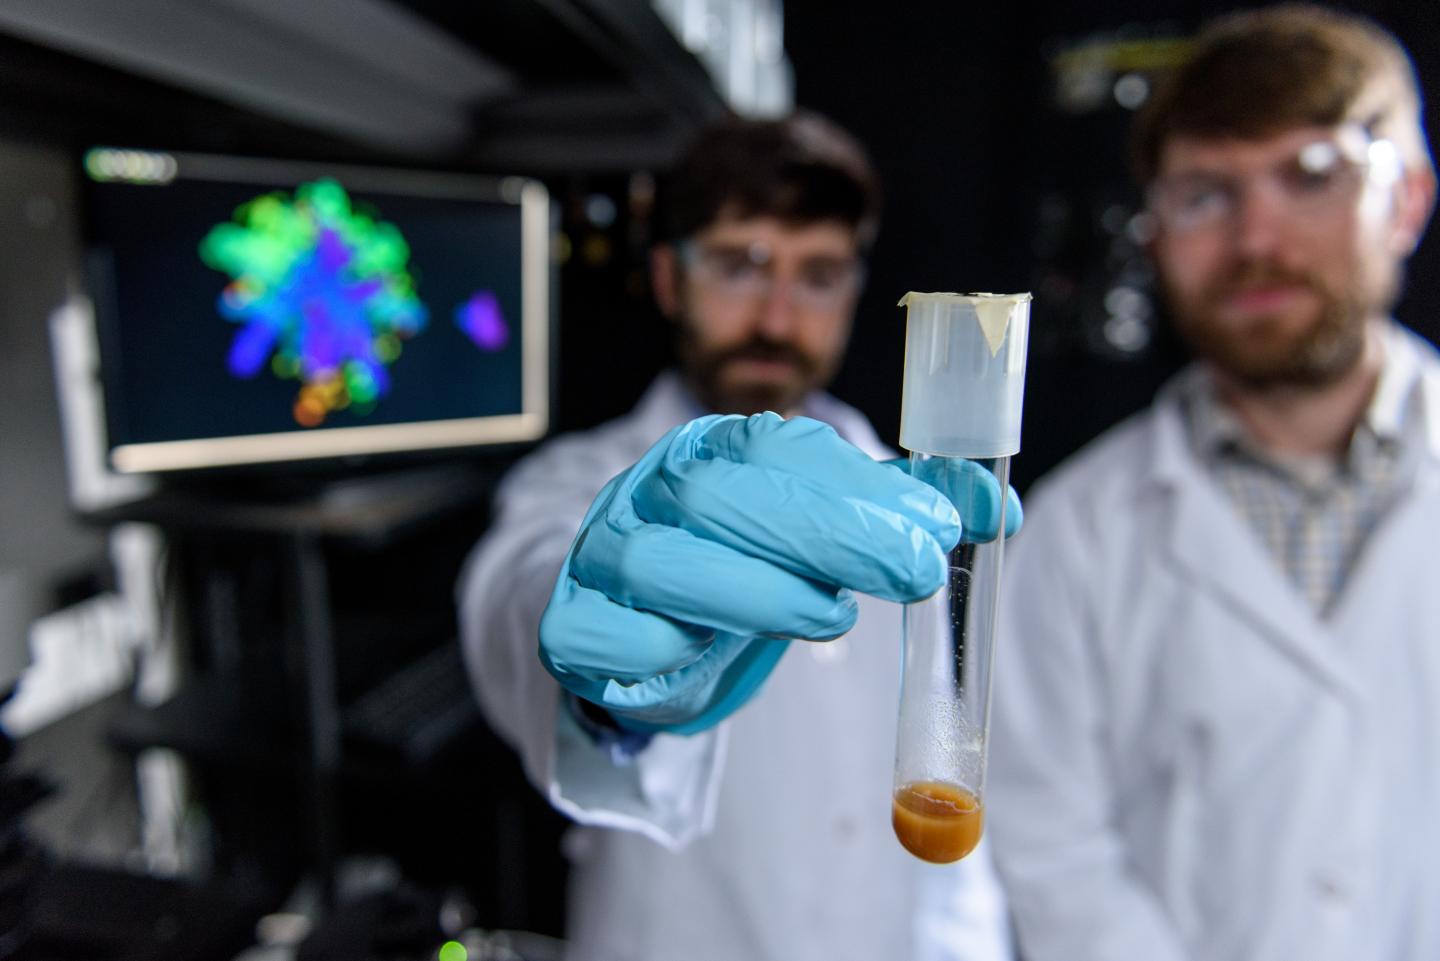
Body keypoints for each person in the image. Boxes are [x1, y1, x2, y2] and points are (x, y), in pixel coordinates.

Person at [458, 112, 1016, 961]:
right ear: (668, 278)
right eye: (739, 264)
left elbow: (944, 774)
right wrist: (607, 683)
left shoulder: (910, 491)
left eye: (817, 274)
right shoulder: (574, 481)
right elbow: (517, 600)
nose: (776, 316)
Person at [986, 6, 1440, 960]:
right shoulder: (1075, 536)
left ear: (1406, 200)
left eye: (1310, 175)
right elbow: (1051, 850)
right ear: (1153, 235)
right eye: (1204, 195)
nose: (1256, 237)